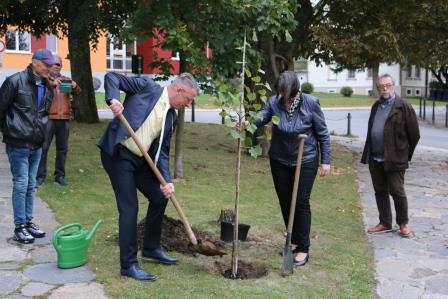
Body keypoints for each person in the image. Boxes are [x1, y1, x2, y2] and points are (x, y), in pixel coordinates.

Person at [98, 72, 199, 281]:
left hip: (141, 160)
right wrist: (113, 99)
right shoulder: (147, 87)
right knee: (129, 207)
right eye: (188, 99)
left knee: (160, 196)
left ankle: (151, 248)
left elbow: (162, 151)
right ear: (179, 90)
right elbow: (112, 77)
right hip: (120, 154)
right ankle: (128, 264)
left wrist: (167, 180)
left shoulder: (171, 116)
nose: (187, 105)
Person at [253, 71, 331, 266]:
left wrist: (326, 161)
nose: (284, 100)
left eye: (287, 96)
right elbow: (260, 118)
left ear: (296, 91)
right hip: (279, 159)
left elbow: (323, 133)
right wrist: (246, 121)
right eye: (281, 94)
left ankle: (303, 248)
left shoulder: (310, 103)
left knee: (301, 202)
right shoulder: (273, 102)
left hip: (305, 159)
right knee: (286, 201)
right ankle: (293, 241)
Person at [0, 48, 56, 244]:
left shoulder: (48, 86)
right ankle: (19, 227)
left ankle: (28, 222)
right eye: (47, 65)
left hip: (37, 143)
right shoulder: (15, 81)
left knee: (31, 185)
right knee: (22, 183)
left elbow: (43, 115)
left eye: (52, 65)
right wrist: (8, 132)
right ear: (35, 62)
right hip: (18, 143)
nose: (50, 68)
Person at [361, 74, 420, 237]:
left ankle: (403, 223)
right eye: (381, 86)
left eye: (387, 85)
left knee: (397, 191)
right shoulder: (376, 106)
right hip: (376, 158)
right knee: (380, 191)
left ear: (393, 86)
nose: (384, 88)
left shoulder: (403, 106)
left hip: (396, 159)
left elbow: (414, 135)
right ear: (378, 88)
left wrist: (404, 154)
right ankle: (385, 222)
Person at [36, 54, 81, 187]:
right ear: (49, 65)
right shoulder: (44, 79)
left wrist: (75, 85)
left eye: (58, 64)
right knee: (43, 148)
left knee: (62, 149)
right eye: (53, 64)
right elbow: (40, 88)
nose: (56, 66)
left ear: (61, 66)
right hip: (49, 118)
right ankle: (40, 177)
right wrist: (52, 84)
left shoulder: (66, 79)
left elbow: (78, 92)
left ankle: (59, 176)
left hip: (64, 119)